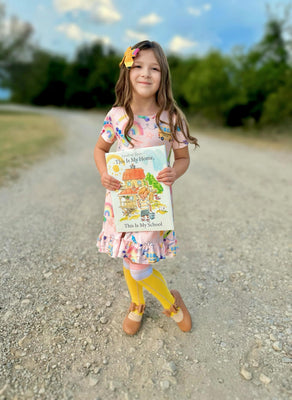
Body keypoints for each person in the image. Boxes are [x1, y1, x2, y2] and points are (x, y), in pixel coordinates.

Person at [94, 40, 199, 335]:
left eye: (154, 68)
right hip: (121, 198)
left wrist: (173, 173)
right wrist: (104, 173)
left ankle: (171, 304)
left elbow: (182, 157)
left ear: (163, 76)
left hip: (153, 202)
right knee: (130, 255)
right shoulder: (117, 115)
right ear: (127, 72)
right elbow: (100, 149)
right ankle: (137, 303)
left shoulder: (170, 118)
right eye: (138, 66)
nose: (145, 73)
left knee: (139, 264)